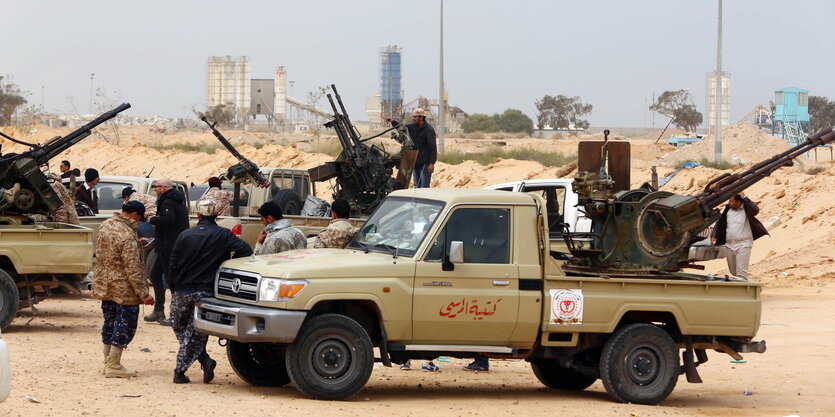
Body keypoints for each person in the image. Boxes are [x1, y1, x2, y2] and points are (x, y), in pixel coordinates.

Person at [168, 200, 252, 384]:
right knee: (196, 330)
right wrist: (227, 266)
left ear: (198, 215)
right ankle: (204, 360)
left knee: (179, 325)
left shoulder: (185, 235)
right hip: (207, 290)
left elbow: (172, 263)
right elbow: (245, 249)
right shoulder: (223, 235)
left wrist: (172, 287)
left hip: (183, 289)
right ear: (216, 215)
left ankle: (180, 370)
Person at [92, 201, 155, 378]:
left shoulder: (107, 225)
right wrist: (144, 293)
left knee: (110, 320)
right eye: (140, 218)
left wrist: (136, 243)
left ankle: (107, 361)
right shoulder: (127, 235)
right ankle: (114, 364)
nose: (139, 222)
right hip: (123, 287)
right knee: (125, 323)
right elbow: (132, 268)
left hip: (105, 283)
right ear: (134, 215)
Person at [146, 178, 189, 325]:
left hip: (169, 247)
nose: (155, 190)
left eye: (156, 187)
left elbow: (168, 220)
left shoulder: (167, 202)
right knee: (155, 275)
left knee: (172, 281)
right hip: (166, 245)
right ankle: (158, 310)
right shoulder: (175, 200)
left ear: (163, 188)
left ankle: (176, 315)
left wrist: (152, 219)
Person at [711, 193, 768, 279]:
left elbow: (755, 209)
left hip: (743, 245)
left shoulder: (747, 210)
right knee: (733, 272)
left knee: (741, 273)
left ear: (738, 202)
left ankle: (744, 290)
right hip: (729, 245)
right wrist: (714, 235)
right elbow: (720, 223)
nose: (729, 202)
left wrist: (745, 197)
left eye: (731, 201)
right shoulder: (728, 210)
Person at [408, 108, 437, 188]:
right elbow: (402, 127)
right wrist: (393, 122)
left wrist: (432, 163)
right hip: (415, 162)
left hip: (425, 163)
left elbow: (433, 147)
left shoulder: (428, 129)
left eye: (415, 117)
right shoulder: (413, 127)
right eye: (413, 117)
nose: (413, 119)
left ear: (421, 118)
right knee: (416, 186)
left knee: (424, 186)